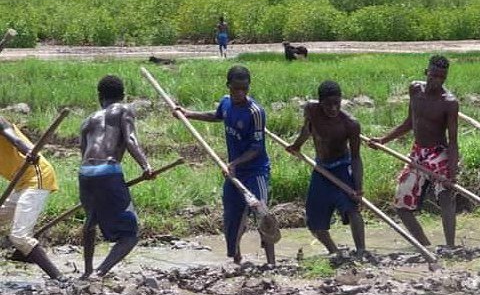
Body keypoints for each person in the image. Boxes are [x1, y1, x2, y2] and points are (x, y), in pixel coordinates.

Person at [176, 65, 275, 265]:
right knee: (232, 214)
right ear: (228, 86)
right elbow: (217, 115)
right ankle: (236, 256)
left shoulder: (255, 112)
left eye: (244, 89)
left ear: (248, 87)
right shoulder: (226, 103)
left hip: (255, 172)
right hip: (234, 172)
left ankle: (271, 262)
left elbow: (256, 148)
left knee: (262, 214)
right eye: (235, 89)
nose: (240, 93)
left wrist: (234, 163)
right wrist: (188, 113)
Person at [370, 55, 459, 248]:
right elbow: (409, 123)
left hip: (438, 153)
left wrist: (452, 173)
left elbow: (453, 141)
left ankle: (450, 247)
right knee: (402, 206)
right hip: (417, 152)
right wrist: (383, 140)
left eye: (442, 77)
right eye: (434, 76)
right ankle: (426, 247)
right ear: (427, 73)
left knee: (445, 196)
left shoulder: (449, 102)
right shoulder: (415, 90)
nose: (437, 81)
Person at [79, 75, 153, 278]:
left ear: (99, 97)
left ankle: (86, 271)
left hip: (85, 173)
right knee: (130, 235)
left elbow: (83, 153)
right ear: (122, 96)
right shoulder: (123, 109)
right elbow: (130, 138)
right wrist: (145, 165)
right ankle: (99, 272)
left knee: (91, 220)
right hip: (108, 171)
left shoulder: (88, 120)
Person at [287, 81, 366, 258]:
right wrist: (297, 145)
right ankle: (334, 251)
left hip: (342, 169)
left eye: (337, 103)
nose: (333, 108)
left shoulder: (351, 124)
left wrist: (358, 188)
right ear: (320, 103)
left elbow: (355, 157)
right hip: (322, 170)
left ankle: (361, 251)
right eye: (328, 104)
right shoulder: (311, 110)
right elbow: (307, 130)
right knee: (314, 222)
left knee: (352, 209)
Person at [0, 117, 64, 279]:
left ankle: (59, 278)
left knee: (19, 236)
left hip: (37, 175)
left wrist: (27, 150)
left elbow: (14, 138)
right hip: (20, 183)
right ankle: (26, 252)